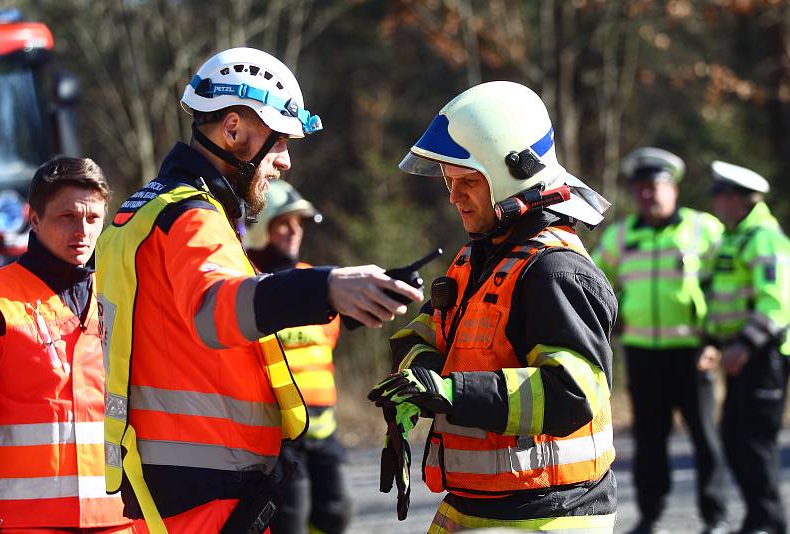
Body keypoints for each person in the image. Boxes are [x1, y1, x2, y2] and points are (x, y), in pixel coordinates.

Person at [94, 47, 422, 534]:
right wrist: (326, 285)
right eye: (280, 142)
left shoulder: (147, 211)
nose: (286, 161)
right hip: (207, 491)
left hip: (179, 482)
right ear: (233, 130)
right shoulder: (192, 217)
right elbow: (215, 309)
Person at [367, 81, 618, 532]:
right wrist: (417, 383)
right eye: (448, 181)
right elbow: (417, 336)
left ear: (512, 176)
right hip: (478, 505)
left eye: (467, 181)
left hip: (547, 514)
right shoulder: (475, 260)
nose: (453, 196)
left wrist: (451, 394)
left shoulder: (554, 271)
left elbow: (572, 394)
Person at [0, 157, 132, 532]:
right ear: (34, 220)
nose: (82, 231)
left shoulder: (121, 296)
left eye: (92, 219)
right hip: (24, 521)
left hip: (118, 518)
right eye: (67, 217)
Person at [592, 148, 728, 534]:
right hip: (643, 353)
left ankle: (715, 517)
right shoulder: (621, 235)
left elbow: (726, 286)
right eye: (640, 189)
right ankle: (650, 517)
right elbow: (592, 282)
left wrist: (716, 339)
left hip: (693, 352)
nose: (647, 195)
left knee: (704, 436)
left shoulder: (704, 229)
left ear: (674, 188)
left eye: (655, 187)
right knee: (650, 440)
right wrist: (611, 320)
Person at [243, 179, 352, 534]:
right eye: (283, 223)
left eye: (299, 223)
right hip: (278, 441)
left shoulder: (317, 282)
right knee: (290, 520)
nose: (294, 232)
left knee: (336, 512)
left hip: (324, 434)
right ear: (260, 230)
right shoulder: (245, 285)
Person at [699, 161, 790, 534]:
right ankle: (758, 518)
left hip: (762, 355)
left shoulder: (764, 238)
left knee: (754, 444)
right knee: (736, 441)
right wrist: (712, 342)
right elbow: (720, 299)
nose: (715, 204)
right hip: (740, 353)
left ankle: (772, 523)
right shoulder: (735, 238)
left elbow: (777, 302)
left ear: (736, 199)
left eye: (719, 196)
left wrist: (745, 346)